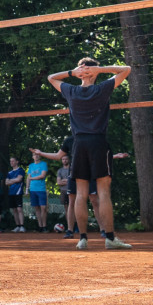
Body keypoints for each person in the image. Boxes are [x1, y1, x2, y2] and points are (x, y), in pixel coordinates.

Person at [47, 57, 132, 251]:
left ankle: (83, 239)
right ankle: (109, 238)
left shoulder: (71, 90)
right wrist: (99, 70)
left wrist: (72, 73)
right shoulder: (101, 89)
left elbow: (51, 78)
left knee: (80, 194)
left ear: (80, 73)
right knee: (103, 193)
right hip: (98, 142)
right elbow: (126, 69)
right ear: (95, 72)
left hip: (79, 144)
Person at [25, 153, 50, 232]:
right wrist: (27, 189)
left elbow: (42, 175)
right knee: (37, 208)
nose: (36, 156)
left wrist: (32, 178)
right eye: (34, 155)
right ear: (32, 157)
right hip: (32, 189)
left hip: (41, 189)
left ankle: (44, 226)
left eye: (37, 154)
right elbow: (28, 177)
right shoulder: (31, 166)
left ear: (40, 156)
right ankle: (40, 226)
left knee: (43, 208)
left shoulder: (43, 164)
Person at [3, 157, 25, 230]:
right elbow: (6, 183)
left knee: (19, 209)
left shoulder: (20, 170)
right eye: (10, 161)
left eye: (13, 161)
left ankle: (22, 226)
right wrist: (15, 180)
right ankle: (17, 226)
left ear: (17, 162)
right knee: (14, 210)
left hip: (18, 192)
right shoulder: (9, 173)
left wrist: (11, 181)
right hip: (11, 193)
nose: (11, 162)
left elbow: (19, 179)